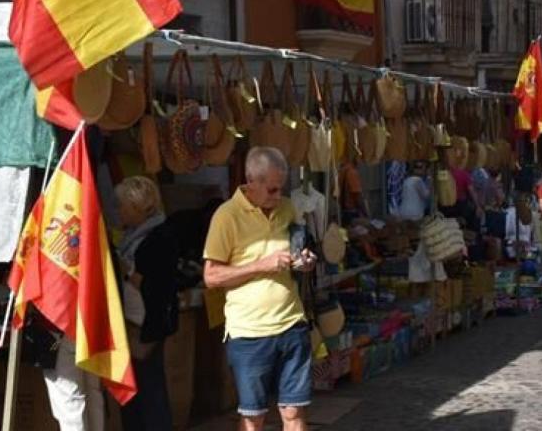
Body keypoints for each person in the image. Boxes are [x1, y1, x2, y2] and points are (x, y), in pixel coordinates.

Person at [204, 147, 318, 431]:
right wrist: (260, 265)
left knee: (294, 412)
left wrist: (304, 262)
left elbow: (296, 249)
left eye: (281, 189)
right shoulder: (226, 216)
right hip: (250, 334)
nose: (278, 196)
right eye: (271, 190)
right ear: (251, 181)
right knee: (253, 416)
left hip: (292, 325)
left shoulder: (287, 208)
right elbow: (212, 276)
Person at [114, 176, 179, 431]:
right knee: (136, 388)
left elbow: (157, 284)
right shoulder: (132, 236)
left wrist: (127, 272)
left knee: (149, 388)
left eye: (122, 205)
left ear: (138, 207)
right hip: (134, 319)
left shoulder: (159, 236)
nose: (118, 210)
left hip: (148, 323)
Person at [339, 155, 369, 224]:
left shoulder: (342, 170)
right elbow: (358, 196)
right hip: (352, 212)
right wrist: (366, 213)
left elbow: (334, 193)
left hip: (343, 211)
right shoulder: (352, 173)